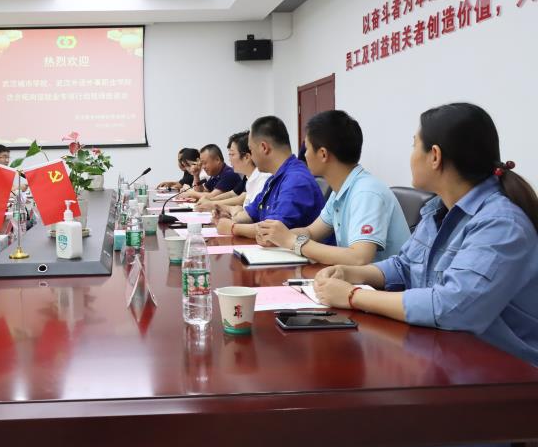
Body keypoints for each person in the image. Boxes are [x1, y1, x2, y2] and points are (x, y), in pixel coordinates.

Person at [314, 103, 538, 367]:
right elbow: (404, 266)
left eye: (414, 145)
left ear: (435, 156)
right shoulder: (438, 210)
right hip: (444, 355)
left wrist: (353, 296)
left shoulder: (501, 225)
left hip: (504, 374)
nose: (410, 155)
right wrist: (350, 273)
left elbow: (451, 307)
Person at [257, 110, 409, 265]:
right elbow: (312, 232)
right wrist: (278, 236)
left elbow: (359, 258)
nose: (305, 155)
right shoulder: (341, 190)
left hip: (384, 281)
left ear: (323, 154)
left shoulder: (366, 193)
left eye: (307, 148)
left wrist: (293, 242)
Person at [212, 117, 324, 238]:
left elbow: (272, 232)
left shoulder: (296, 180)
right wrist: (229, 217)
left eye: (251, 150)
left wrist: (233, 228)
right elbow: (250, 214)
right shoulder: (273, 179)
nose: (251, 156)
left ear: (264, 148)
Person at [195, 131, 270, 213]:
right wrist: (210, 200)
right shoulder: (248, 176)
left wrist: (212, 203)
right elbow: (233, 193)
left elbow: (242, 199)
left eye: (232, 154)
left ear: (246, 157)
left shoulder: (263, 178)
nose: (229, 159)